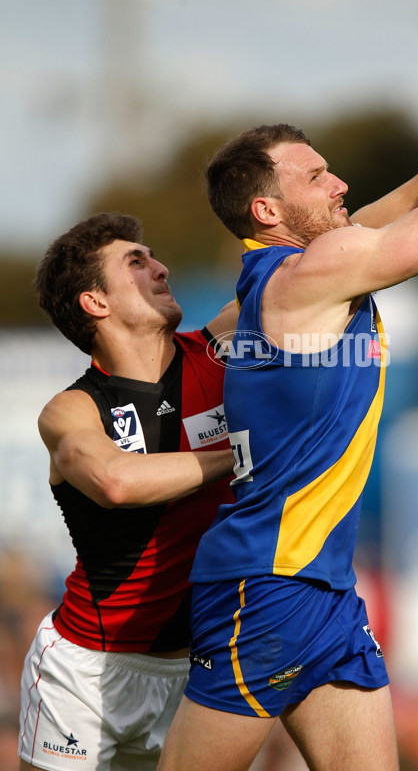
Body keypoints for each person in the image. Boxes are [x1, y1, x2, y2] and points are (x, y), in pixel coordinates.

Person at [158, 4, 418, 771]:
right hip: (266, 586)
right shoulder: (306, 275)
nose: (340, 181)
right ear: (267, 211)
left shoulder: (319, 267)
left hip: (324, 591)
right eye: (317, 175)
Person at [18, 213, 237, 771]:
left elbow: (325, 263)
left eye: (152, 256)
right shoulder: (72, 410)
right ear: (96, 302)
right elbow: (116, 482)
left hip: (197, 669)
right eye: (135, 262)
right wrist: (246, 454)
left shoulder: (216, 352)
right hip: (87, 672)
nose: (161, 267)